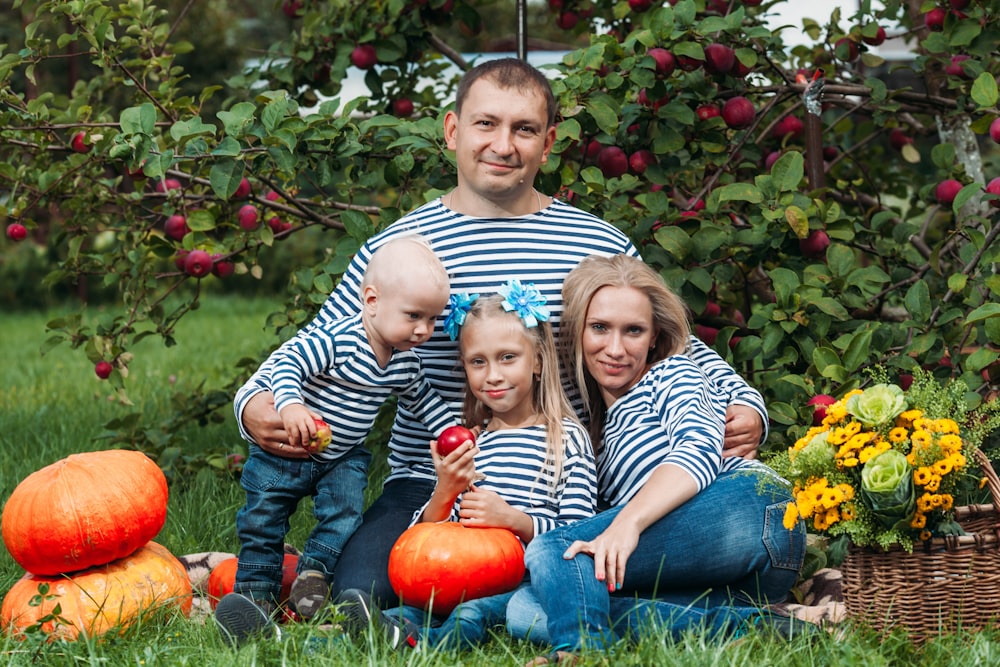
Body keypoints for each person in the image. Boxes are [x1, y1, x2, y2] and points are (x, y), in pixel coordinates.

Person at [232, 57, 767, 613]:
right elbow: (322, 346)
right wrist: (255, 408)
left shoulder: (593, 242)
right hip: (433, 479)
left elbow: (666, 341)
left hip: (562, 480)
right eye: (486, 123)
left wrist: (746, 406)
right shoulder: (401, 250)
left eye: (524, 129)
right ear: (453, 130)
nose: (503, 145)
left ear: (549, 142)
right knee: (363, 591)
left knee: (586, 564)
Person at [506, 255, 809, 664]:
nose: (615, 348)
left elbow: (698, 450)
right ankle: (746, 624)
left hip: (753, 509)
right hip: (732, 580)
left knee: (552, 552)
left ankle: (584, 652)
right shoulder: (596, 436)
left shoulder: (672, 374)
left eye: (633, 331)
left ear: (653, 337)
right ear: (576, 332)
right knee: (526, 608)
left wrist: (627, 522)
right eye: (599, 328)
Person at [215, 236, 458, 646]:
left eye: (433, 320)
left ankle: (313, 578)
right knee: (263, 522)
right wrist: (290, 406)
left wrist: (451, 436)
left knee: (344, 515)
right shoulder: (337, 339)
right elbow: (288, 361)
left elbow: (425, 402)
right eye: (414, 316)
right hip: (287, 451)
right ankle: (253, 597)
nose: (424, 330)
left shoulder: (404, 360)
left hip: (342, 456)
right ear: (372, 300)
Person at [335, 284, 597, 650]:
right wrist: (445, 490)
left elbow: (578, 535)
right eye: (478, 361)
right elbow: (425, 540)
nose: (492, 375)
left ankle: (418, 645)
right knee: (406, 609)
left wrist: (512, 520)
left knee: (469, 615)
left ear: (537, 361)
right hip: (457, 576)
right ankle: (324, 642)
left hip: (520, 584)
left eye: (508, 357)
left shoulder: (565, 437)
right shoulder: (473, 443)